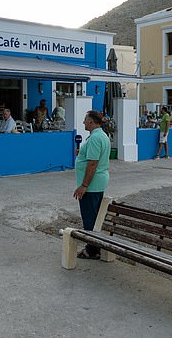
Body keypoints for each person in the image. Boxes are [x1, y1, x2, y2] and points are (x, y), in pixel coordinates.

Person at [72, 110, 111, 260]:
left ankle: (92, 249)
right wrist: (81, 153)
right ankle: (94, 247)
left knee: (90, 218)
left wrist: (84, 185)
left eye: (85, 120)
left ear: (91, 122)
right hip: (96, 183)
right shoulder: (100, 136)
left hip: (92, 185)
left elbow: (93, 163)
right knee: (93, 216)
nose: (83, 122)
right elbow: (93, 157)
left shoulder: (95, 138)